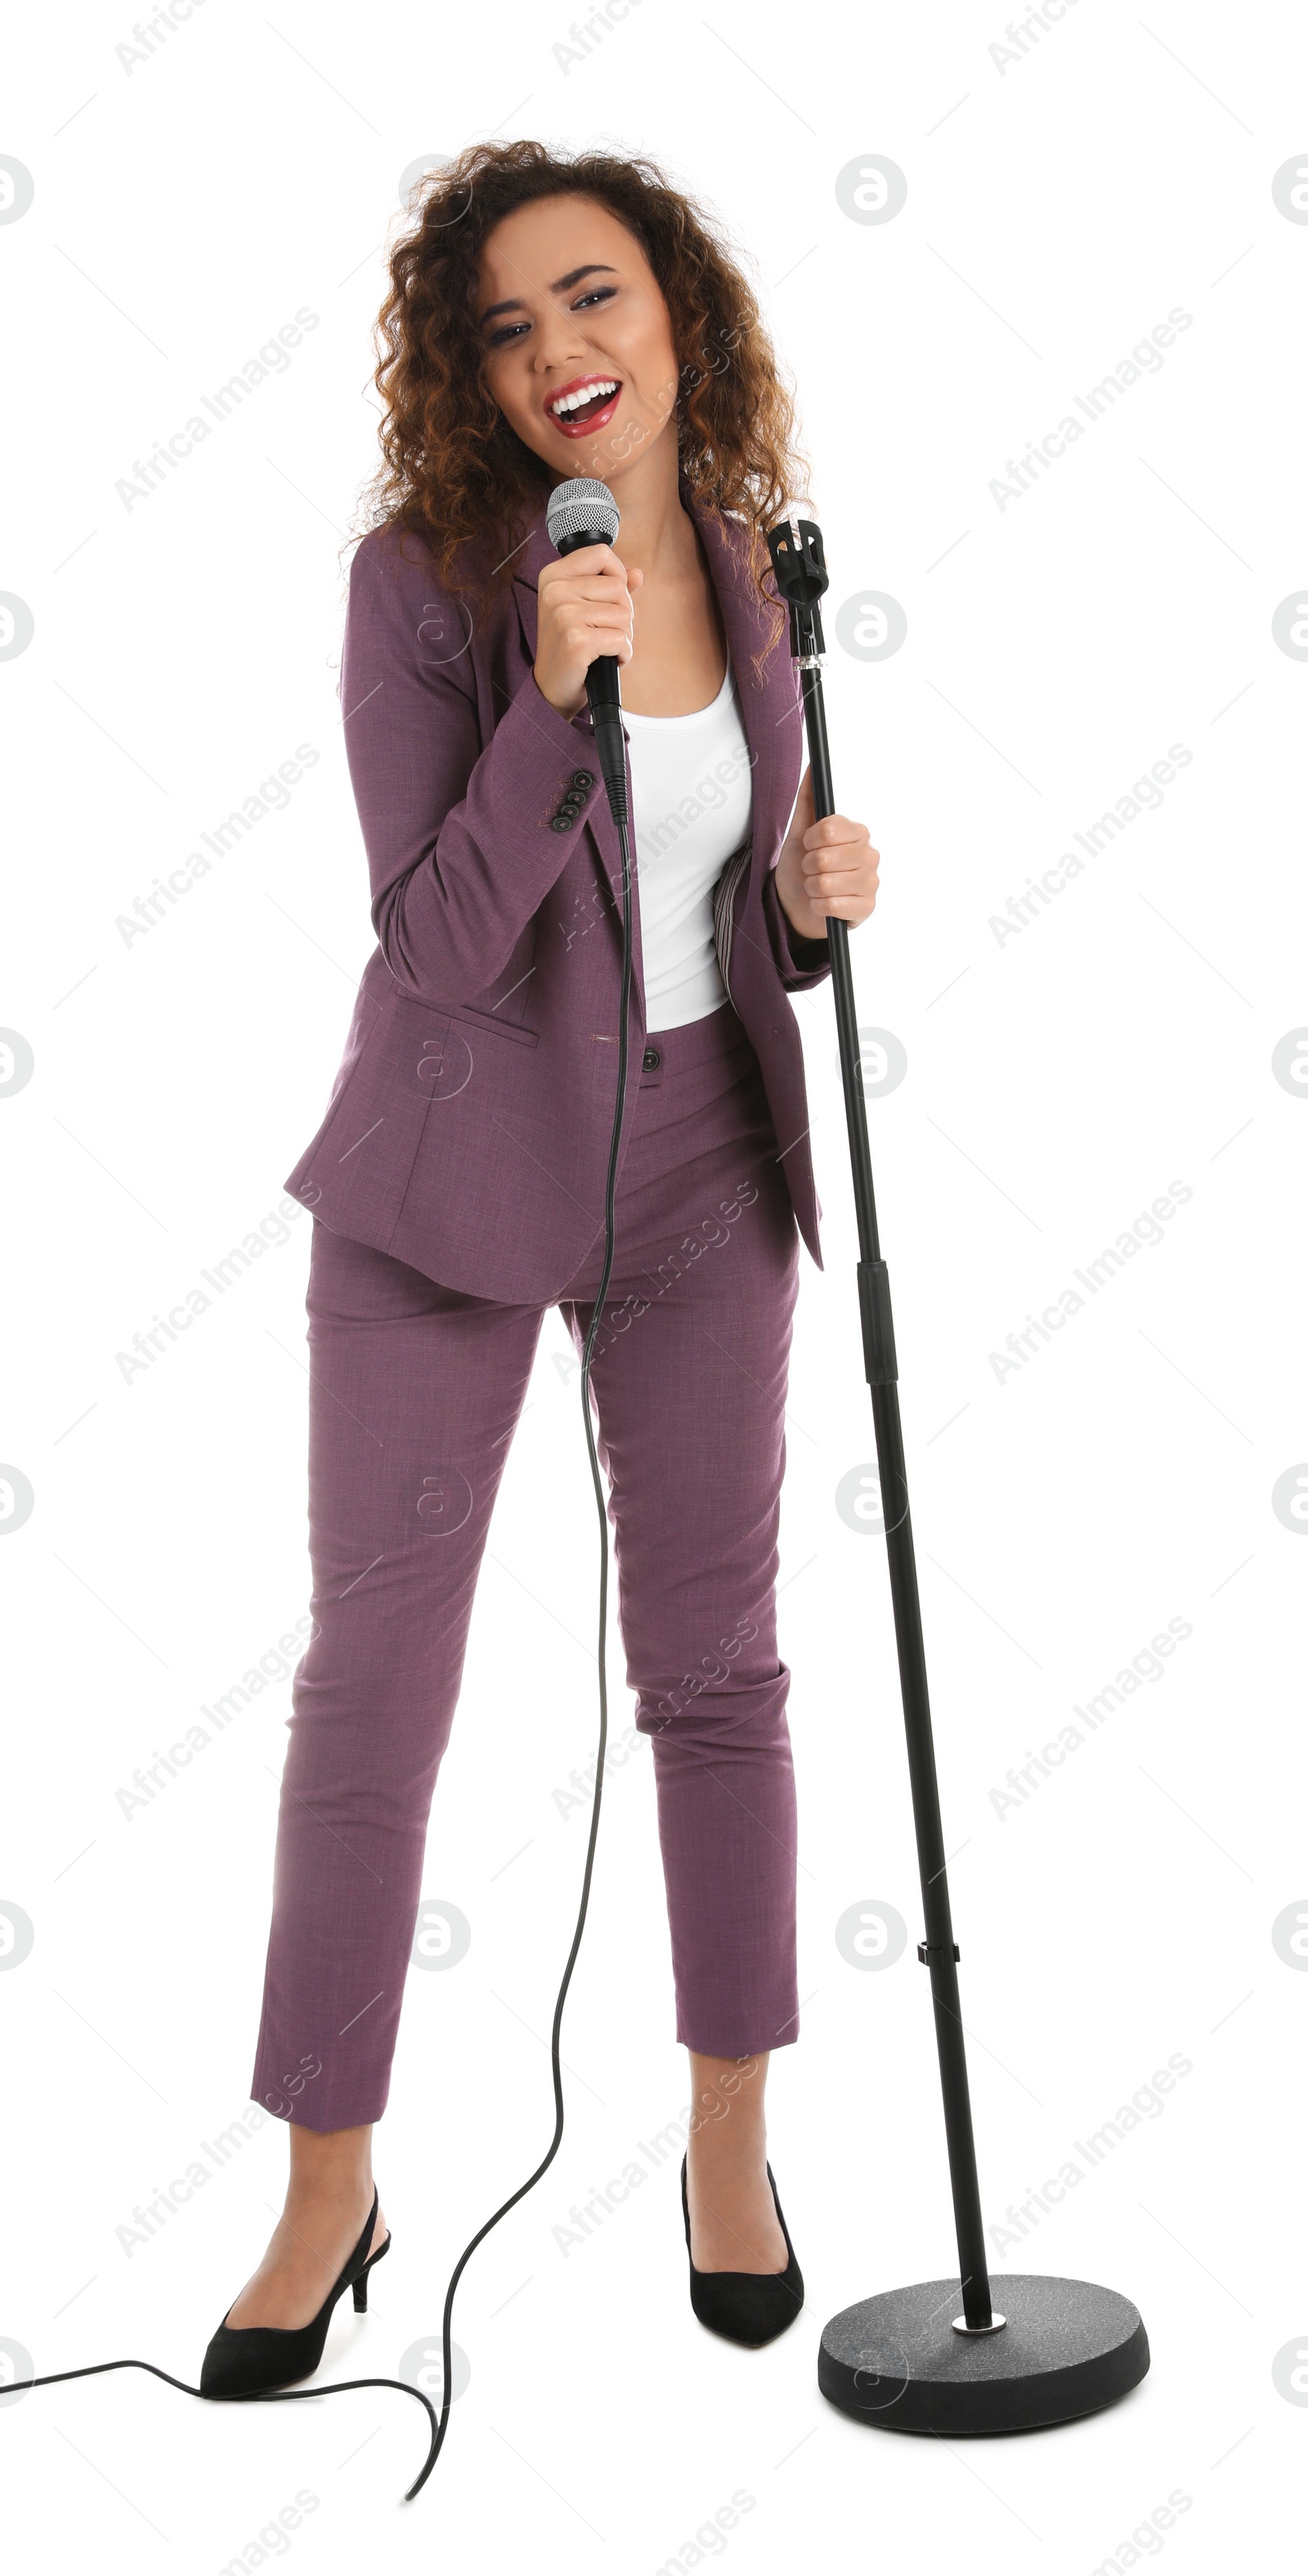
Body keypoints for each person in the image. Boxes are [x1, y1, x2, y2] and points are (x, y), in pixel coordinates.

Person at [200, 141, 880, 2397]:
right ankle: (327, 2182)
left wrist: (803, 904)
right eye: (504, 328)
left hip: (701, 1167)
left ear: (679, 309)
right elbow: (438, 936)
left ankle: (727, 2144)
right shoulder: (432, 582)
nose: (558, 352)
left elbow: (718, 900)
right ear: (471, 381)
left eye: (592, 298)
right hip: (446, 1187)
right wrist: (537, 702)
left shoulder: (752, 566)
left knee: (721, 1673)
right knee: (371, 1693)